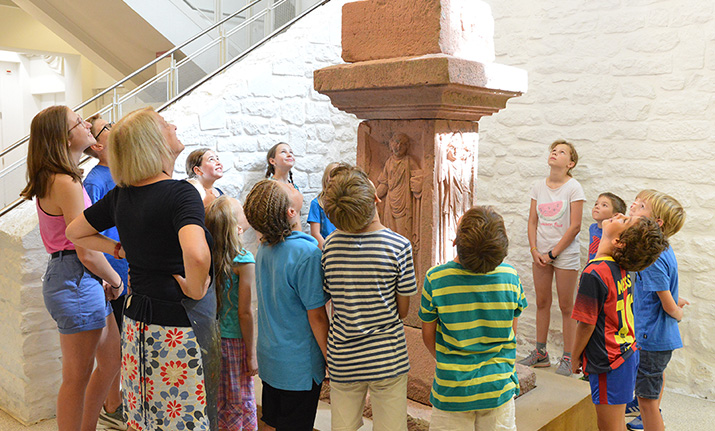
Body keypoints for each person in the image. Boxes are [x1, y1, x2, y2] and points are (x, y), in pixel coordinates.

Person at [66, 107, 218, 431]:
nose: (174, 125)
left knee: (146, 414)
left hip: (137, 323)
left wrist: (116, 248)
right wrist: (192, 287)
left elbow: (74, 231)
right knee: (187, 415)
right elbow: (196, 253)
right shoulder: (180, 193)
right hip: (179, 323)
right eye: (165, 124)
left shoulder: (123, 194)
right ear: (152, 141)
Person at [20, 106, 123, 431]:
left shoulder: (63, 179)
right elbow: (85, 248)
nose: (86, 124)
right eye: (78, 122)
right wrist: (116, 278)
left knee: (109, 362)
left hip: (80, 277)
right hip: (74, 278)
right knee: (75, 379)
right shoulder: (63, 182)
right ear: (65, 138)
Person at [321, 164, 418, 431]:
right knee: (391, 425)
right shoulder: (399, 246)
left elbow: (330, 296)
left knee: (343, 425)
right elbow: (403, 310)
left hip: (343, 355)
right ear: (376, 198)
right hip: (387, 355)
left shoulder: (330, 246)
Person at [419, 206, 527, 431]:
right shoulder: (510, 277)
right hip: (498, 387)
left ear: (457, 239)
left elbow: (428, 336)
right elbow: (511, 331)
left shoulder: (436, 279)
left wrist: (450, 362)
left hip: (453, 389)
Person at [242, 179, 329, 431]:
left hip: (272, 357)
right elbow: (317, 316)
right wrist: (330, 359)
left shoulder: (265, 249)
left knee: (272, 421)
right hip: (299, 366)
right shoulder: (307, 255)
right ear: (291, 212)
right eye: (290, 189)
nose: (294, 187)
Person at [571, 213, 668, 431]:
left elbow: (585, 324)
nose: (620, 215)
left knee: (609, 427)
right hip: (625, 353)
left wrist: (574, 355)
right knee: (615, 423)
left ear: (619, 242)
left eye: (624, 220)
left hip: (609, 361)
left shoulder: (594, 272)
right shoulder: (621, 267)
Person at [520, 139, 586, 376]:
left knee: (568, 306)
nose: (554, 154)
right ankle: (540, 353)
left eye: (561, 152)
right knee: (541, 302)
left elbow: (575, 226)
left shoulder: (574, 188)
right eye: (553, 150)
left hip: (563, 254)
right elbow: (532, 221)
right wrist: (534, 250)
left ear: (570, 163)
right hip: (540, 254)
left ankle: (569, 357)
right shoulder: (539, 186)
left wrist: (553, 253)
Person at [625, 190, 688, 431]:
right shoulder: (663, 249)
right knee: (653, 380)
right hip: (658, 338)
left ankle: (647, 415)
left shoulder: (653, 257)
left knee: (648, 401)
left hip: (652, 338)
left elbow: (666, 303)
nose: (633, 206)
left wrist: (677, 312)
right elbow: (662, 289)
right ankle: (644, 407)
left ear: (656, 222)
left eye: (641, 206)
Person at [85, 114, 129, 430]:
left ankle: (116, 401)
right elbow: (88, 232)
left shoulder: (125, 175)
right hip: (110, 275)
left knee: (124, 342)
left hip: (128, 270)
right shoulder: (94, 181)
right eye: (107, 127)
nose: (115, 128)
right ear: (98, 144)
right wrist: (106, 275)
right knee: (112, 348)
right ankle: (111, 404)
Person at [205, 196, 259, 430]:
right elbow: (244, 312)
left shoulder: (206, 257)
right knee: (239, 401)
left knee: (215, 400)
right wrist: (252, 353)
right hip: (235, 341)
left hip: (209, 339)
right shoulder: (244, 260)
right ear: (236, 228)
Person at [308, 162, 339, 249]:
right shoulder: (317, 203)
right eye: (332, 174)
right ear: (326, 178)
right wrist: (327, 251)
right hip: (326, 248)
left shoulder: (347, 202)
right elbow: (315, 233)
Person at [588, 192, 626, 262]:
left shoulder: (613, 233)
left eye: (604, 205)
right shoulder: (592, 227)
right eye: (596, 204)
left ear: (615, 215)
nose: (597, 206)